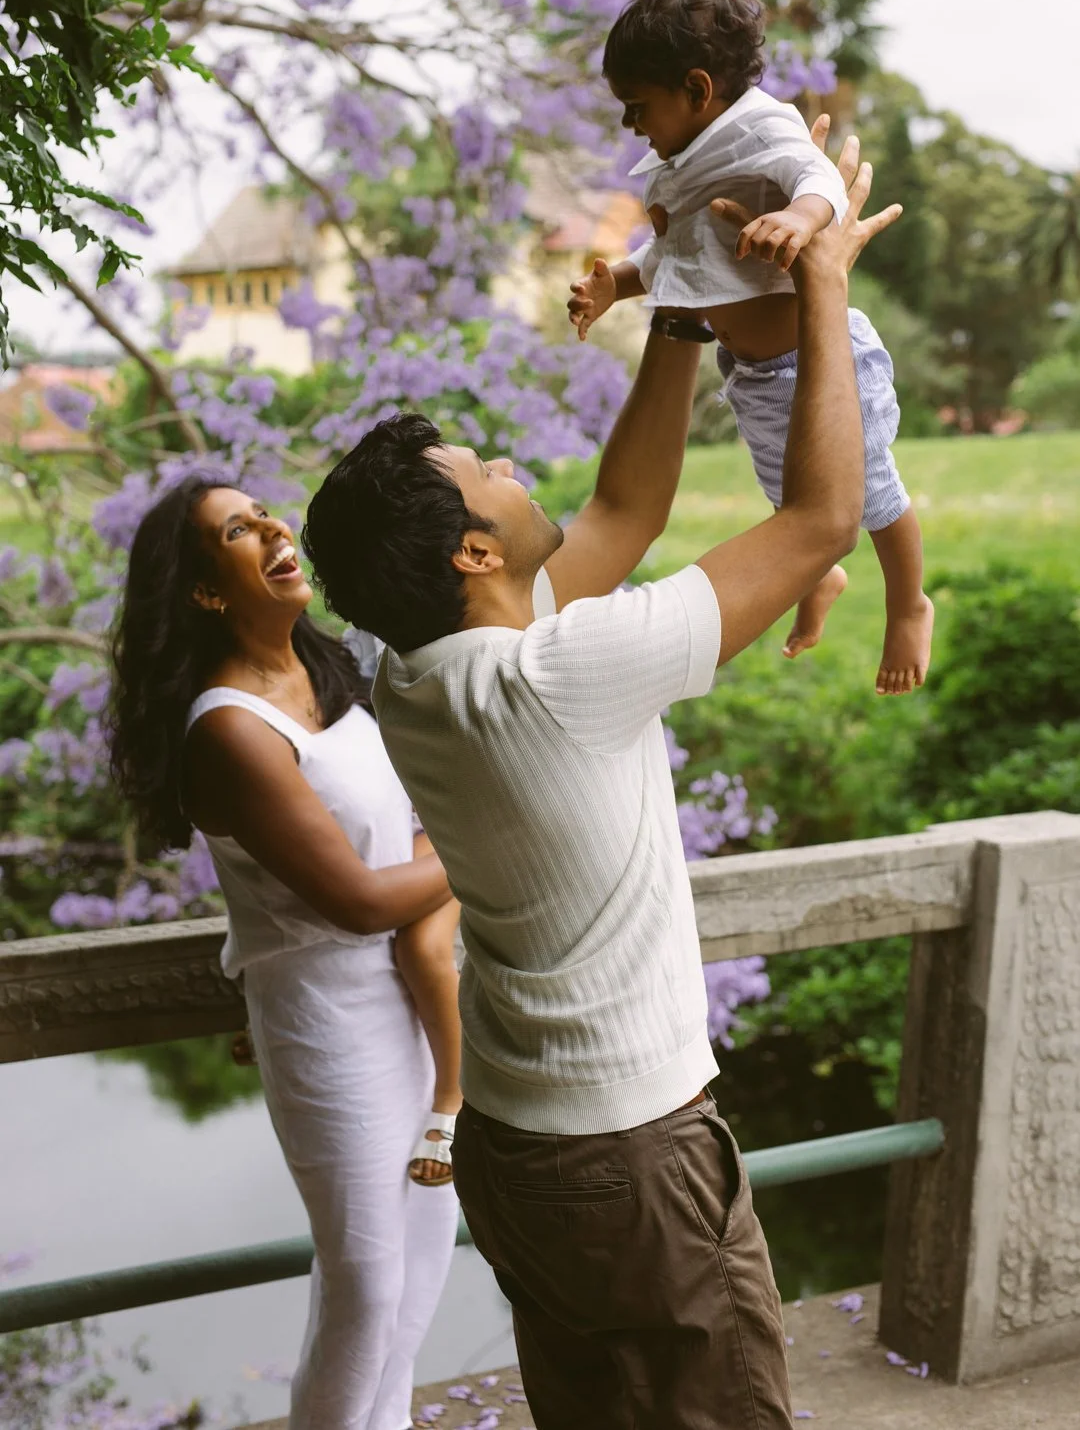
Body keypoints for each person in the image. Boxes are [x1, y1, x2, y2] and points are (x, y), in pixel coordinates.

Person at [300, 129, 899, 1429]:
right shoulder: (559, 673)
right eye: (493, 474)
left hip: (519, 1146)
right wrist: (828, 283)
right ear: (472, 550)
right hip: (628, 1156)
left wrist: (677, 298)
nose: (520, 470)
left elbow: (622, 512)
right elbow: (817, 523)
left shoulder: (425, 672)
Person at [108, 477, 460, 1430]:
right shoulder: (229, 727)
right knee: (366, 1281)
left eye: (265, 511)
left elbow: (399, 839)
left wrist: (443, 844)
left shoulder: (327, 668)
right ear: (207, 592)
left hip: (417, 996)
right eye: (237, 529)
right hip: (327, 1023)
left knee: (425, 1260)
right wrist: (485, 833)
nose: (272, 526)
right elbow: (357, 899)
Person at [569, 0, 933, 697]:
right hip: (757, 372)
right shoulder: (685, 158)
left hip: (820, 362)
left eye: (638, 107)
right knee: (788, 491)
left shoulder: (763, 126)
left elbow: (819, 181)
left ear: (699, 90)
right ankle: (817, 574)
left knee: (873, 493)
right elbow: (680, 253)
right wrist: (620, 281)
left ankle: (907, 602)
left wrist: (801, 219)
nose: (630, 126)